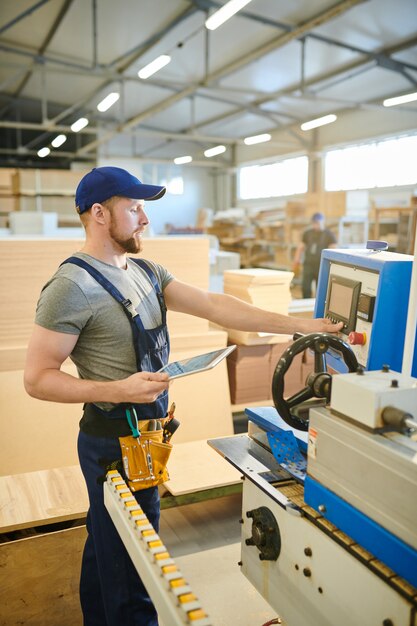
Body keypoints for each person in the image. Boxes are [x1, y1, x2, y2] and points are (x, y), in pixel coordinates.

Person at [24, 166, 343, 626]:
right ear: (98, 214)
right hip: (114, 441)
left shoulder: (147, 272)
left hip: (149, 433)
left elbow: (216, 304)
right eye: (133, 209)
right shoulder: (71, 287)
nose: (144, 219)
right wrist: (119, 388)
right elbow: (37, 378)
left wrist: (305, 326)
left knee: (107, 545)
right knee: (132, 563)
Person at [293, 212, 337, 298]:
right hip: (308, 264)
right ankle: (305, 302)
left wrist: (332, 265)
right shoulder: (307, 233)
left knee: (320, 288)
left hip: (321, 265)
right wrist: (296, 260)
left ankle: (317, 306)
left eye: (317, 223)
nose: (316, 225)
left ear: (323, 222)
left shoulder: (329, 235)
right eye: (314, 223)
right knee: (305, 287)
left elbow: (333, 250)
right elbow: (300, 247)